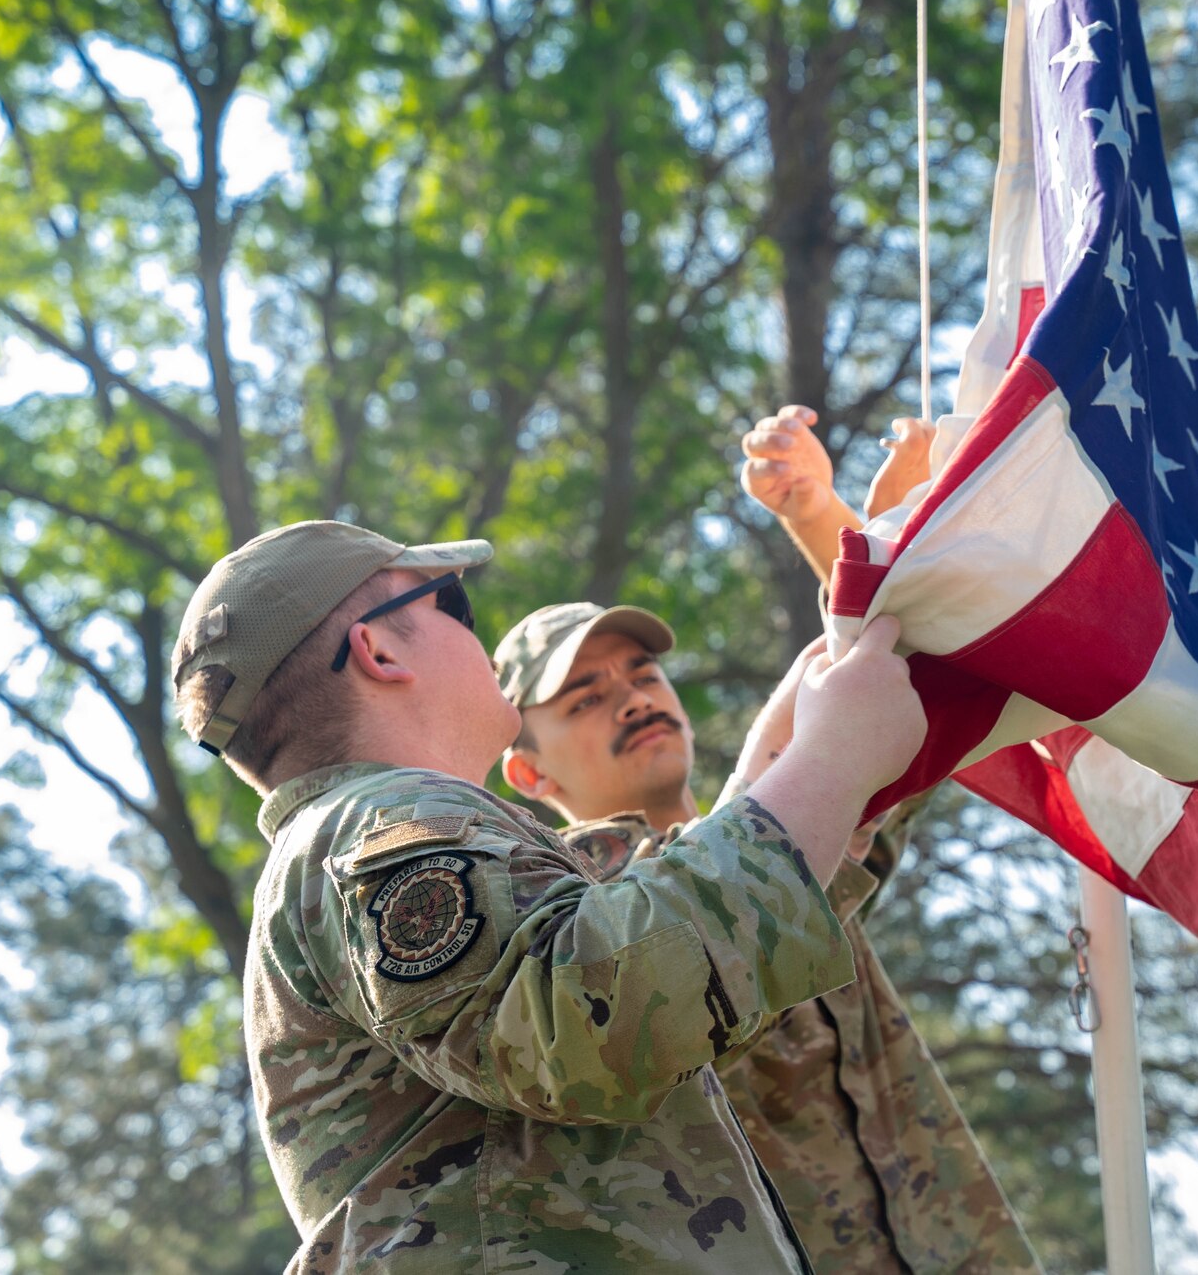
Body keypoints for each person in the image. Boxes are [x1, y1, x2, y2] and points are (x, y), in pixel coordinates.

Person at [168, 518, 924, 1273]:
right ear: (379, 650)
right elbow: (590, 1018)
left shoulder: (367, 836)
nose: (476, 633)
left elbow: (654, 993)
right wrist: (829, 763)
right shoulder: (385, 825)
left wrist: (788, 764)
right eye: (449, 606)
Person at [494, 588, 1041, 1262]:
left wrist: (821, 521)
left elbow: (903, 682)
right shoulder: (572, 922)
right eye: (585, 698)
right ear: (527, 769)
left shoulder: (793, 818)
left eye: (644, 675)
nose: (634, 700)